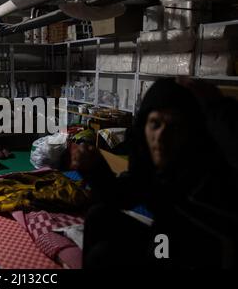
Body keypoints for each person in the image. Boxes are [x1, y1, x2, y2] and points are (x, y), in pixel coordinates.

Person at [72, 78, 238, 269]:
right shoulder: (152, 168)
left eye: (174, 127)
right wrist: (95, 168)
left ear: (191, 133)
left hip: (200, 255)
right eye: (155, 124)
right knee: (98, 216)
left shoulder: (211, 173)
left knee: (104, 256)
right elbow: (123, 196)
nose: (161, 137)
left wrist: (218, 107)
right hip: (164, 243)